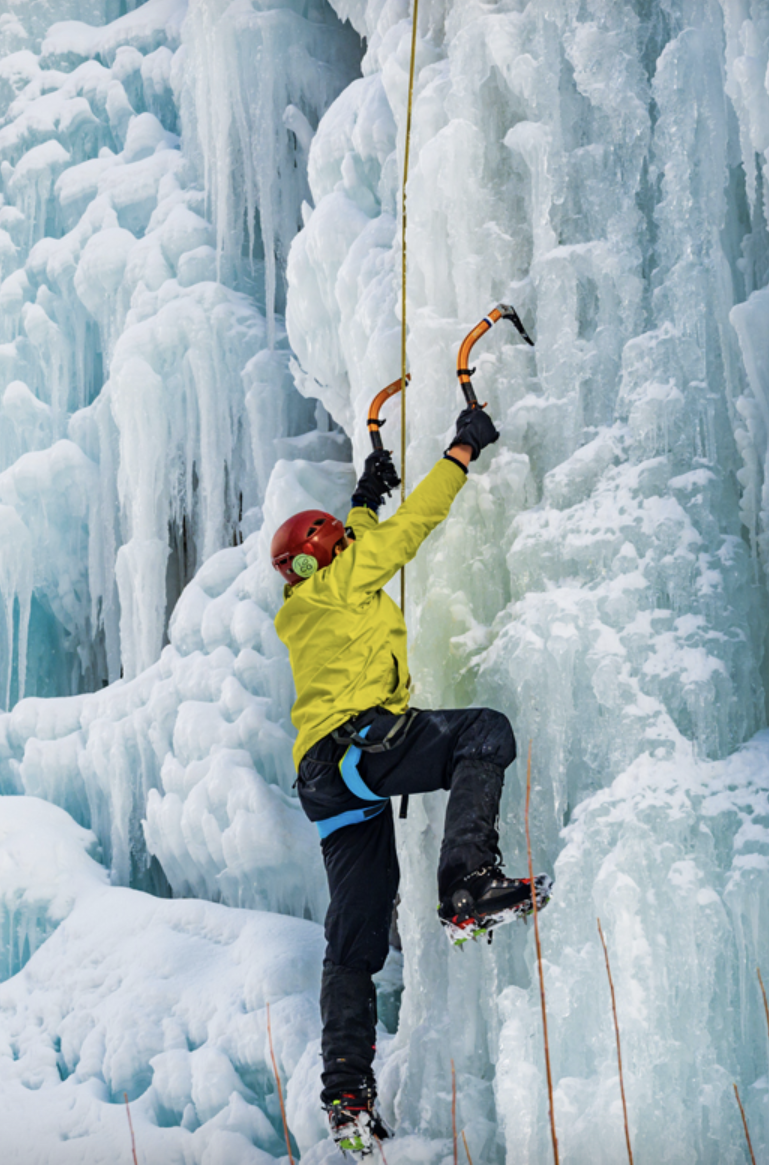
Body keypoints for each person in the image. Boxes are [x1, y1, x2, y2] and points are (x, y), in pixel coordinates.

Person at [270, 406, 547, 1158]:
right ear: (328, 555)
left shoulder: (307, 600)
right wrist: (460, 451)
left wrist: (365, 488)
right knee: (483, 732)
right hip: (361, 744)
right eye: (336, 542)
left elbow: (357, 538)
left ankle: (348, 1095)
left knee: (353, 941)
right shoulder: (344, 578)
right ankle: (467, 883)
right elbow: (410, 529)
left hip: (327, 786)